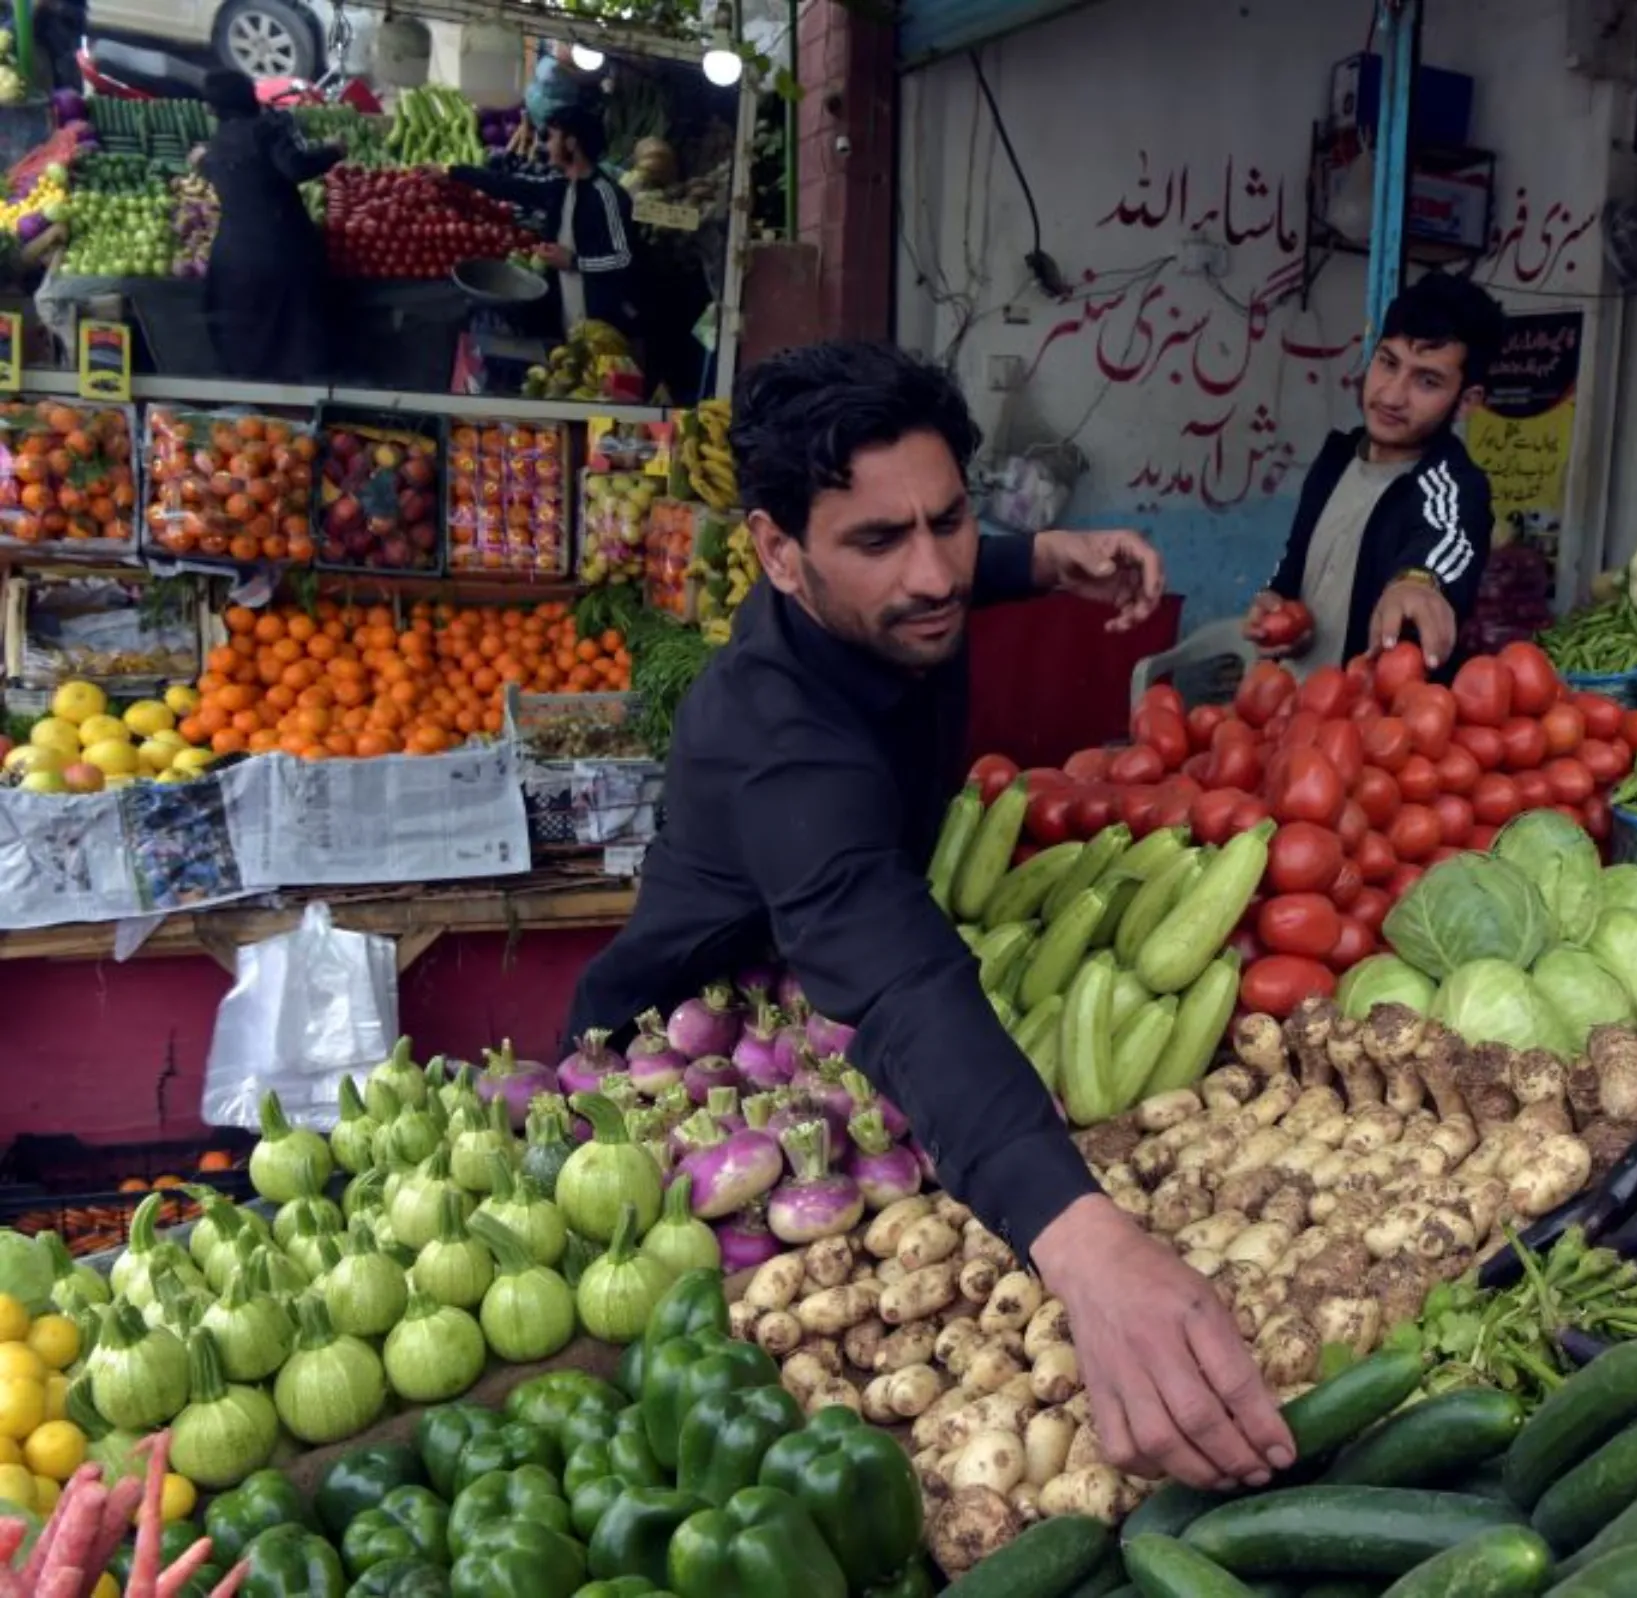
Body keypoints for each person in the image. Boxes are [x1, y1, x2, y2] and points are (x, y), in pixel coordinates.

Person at [561, 342, 1297, 1492]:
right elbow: (901, 979)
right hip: (699, 1076)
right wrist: (1084, 1242)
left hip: (829, 1022)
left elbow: (938, 560)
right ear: (777, 552)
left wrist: (1043, 557)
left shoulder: (911, 584)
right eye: (878, 542)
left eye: (949, 520)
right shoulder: (775, 737)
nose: (935, 574)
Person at [1247, 273, 1506, 676]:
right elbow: (1296, 559)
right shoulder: (1335, 459)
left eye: (1427, 380)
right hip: (1291, 714)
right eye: (1388, 363)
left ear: (1467, 401)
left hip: (1372, 731)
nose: (1391, 395)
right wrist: (1275, 598)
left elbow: (1447, 537)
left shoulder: (1454, 485)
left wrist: (1418, 581)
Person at [198, 70, 343, 383]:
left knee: (248, 335)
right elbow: (295, 166)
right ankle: (292, 402)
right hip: (281, 244)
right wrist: (333, 150)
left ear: (213, 109)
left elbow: (217, 169)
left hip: (234, 251)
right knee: (292, 329)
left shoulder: (217, 143)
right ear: (251, 96)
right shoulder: (266, 129)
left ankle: (254, 399)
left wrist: (199, 161)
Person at [449, 104, 638, 340]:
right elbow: (509, 185)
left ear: (571, 143)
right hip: (564, 319)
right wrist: (452, 172)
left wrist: (573, 262)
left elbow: (623, 258)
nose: (545, 145)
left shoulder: (607, 195)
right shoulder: (561, 187)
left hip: (599, 326)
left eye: (551, 138)